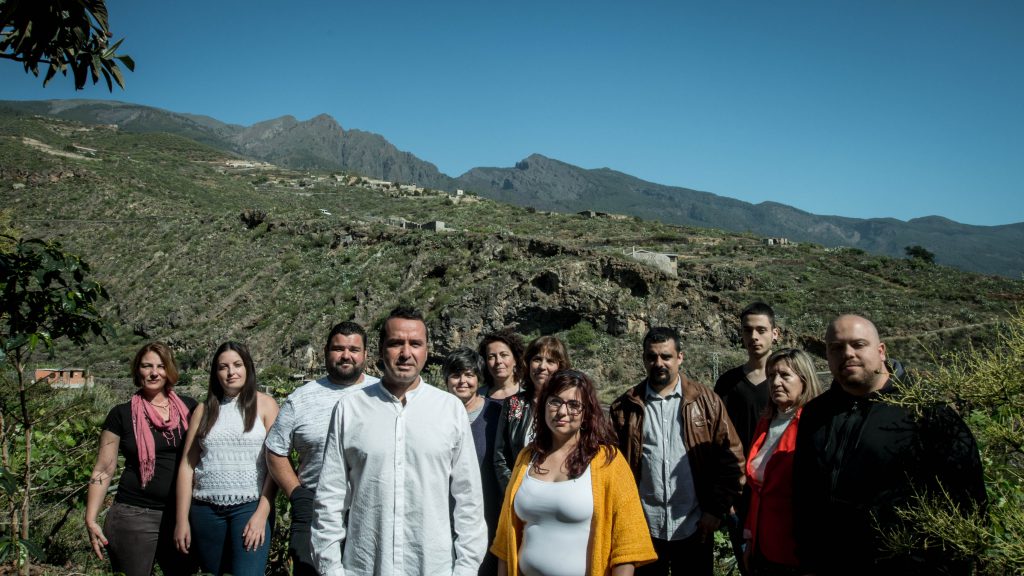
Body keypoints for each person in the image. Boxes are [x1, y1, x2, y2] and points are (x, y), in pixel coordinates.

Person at [793, 314, 987, 575]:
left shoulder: (926, 413)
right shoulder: (815, 414)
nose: (847, 354)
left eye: (858, 344)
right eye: (836, 347)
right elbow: (804, 493)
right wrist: (808, 561)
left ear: (881, 350)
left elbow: (967, 502)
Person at [311, 306, 487, 575]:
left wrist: (466, 569)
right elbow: (330, 496)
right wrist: (330, 568)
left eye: (415, 344)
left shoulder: (449, 409)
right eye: (396, 343)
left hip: (433, 566)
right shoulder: (350, 408)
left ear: (426, 350)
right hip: (365, 566)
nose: (406, 353)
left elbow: (469, 498)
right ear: (381, 350)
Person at [491, 369, 657, 576]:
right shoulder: (526, 457)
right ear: (543, 406)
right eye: (555, 402)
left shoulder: (608, 461)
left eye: (573, 405)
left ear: (586, 413)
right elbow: (505, 541)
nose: (562, 411)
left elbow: (627, 544)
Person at [609, 326, 745, 576]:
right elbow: (612, 468)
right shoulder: (625, 407)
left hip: (695, 526)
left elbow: (731, 458)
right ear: (644, 359)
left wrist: (715, 510)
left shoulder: (706, 402)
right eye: (652, 357)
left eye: (666, 356)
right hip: (644, 528)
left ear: (680, 357)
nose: (659, 363)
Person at [265, 321, 379, 576]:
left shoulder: (383, 393)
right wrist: (296, 494)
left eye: (354, 349)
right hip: (314, 509)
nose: (346, 355)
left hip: (371, 509)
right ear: (326, 352)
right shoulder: (300, 399)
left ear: (365, 355)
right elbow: (275, 450)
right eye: (338, 349)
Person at [84, 342, 198, 576]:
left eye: (160, 366)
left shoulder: (190, 408)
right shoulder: (121, 414)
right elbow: (104, 469)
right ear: (138, 370)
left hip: (182, 515)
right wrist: (91, 518)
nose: (154, 373)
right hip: (134, 516)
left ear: (169, 370)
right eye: (147, 366)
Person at [174, 342, 279, 576]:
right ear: (216, 373)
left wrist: (262, 514)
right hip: (205, 512)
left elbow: (276, 465)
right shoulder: (203, 411)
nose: (231, 372)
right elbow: (187, 466)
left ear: (248, 368)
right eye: (223, 367)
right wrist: (181, 520)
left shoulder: (266, 405)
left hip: (249, 508)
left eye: (237, 365)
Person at [742, 349, 822, 575]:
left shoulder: (813, 425)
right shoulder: (766, 422)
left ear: (804, 380)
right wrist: (749, 538)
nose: (775, 382)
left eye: (785, 375)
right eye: (771, 376)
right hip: (762, 546)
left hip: (794, 551)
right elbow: (757, 490)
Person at [714, 302, 780, 573]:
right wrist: (726, 497)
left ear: (775, 333)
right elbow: (716, 443)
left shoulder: (788, 383)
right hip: (740, 497)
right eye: (747, 330)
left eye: (761, 330)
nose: (754, 336)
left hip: (779, 495)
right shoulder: (727, 384)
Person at [442, 347, 504, 576]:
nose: (463, 381)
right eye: (456, 375)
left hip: (489, 517)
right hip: (443, 519)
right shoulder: (437, 414)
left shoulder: (496, 414)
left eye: (469, 375)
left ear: (479, 378)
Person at [494, 335, 571, 493]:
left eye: (550, 361)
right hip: (521, 494)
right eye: (537, 359)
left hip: (563, 491)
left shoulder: (572, 406)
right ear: (528, 364)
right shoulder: (513, 404)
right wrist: (514, 493)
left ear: (560, 367)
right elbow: (501, 458)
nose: (542, 366)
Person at [477, 330, 526, 400]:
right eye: (491, 357)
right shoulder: (476, 396)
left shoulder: (530, 394)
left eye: (504, 355)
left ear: (515, 360)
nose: (498, 361)